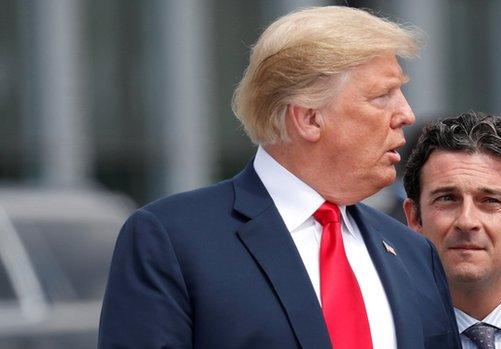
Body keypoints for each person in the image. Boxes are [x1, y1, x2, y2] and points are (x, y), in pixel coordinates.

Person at [99, 7, 460, 348]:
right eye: (382, 96)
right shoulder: (172, 240)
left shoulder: (415, 253)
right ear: (308, 118)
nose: (407, 114)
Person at [401, 112, 501, 349]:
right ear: (414, 218)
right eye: (447, 198)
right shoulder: (382, 333)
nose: (467, 221)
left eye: (490, 201)